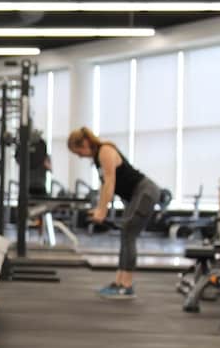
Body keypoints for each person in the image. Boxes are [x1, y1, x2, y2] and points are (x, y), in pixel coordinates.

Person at [67, 127, 161, 299]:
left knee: (128, 233)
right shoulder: (98, 158)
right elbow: (105, 186)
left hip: (145, 192)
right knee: (126, 234)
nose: (79, 156)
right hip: (136, 195)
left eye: (78, 151)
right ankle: (119, 282)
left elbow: (110, 182)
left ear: (85, 143)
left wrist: (102, 211)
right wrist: (99, 208)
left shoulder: (105, 150)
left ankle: (126, 284)